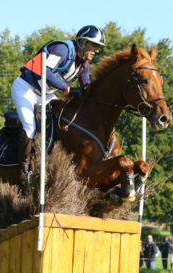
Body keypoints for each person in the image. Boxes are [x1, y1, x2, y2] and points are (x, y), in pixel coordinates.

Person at [12, 25, 105, 191]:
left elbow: (86, 85)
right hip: (26, 89)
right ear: (82, 43)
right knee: (30, 126)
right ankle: (24, 172)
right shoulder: (63, 49)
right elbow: (44, 71)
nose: (97, 50)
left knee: (62, 121)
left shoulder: (83, 62)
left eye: (98, 47)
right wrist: (67, 89)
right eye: (94, 45)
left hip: (46, 94)